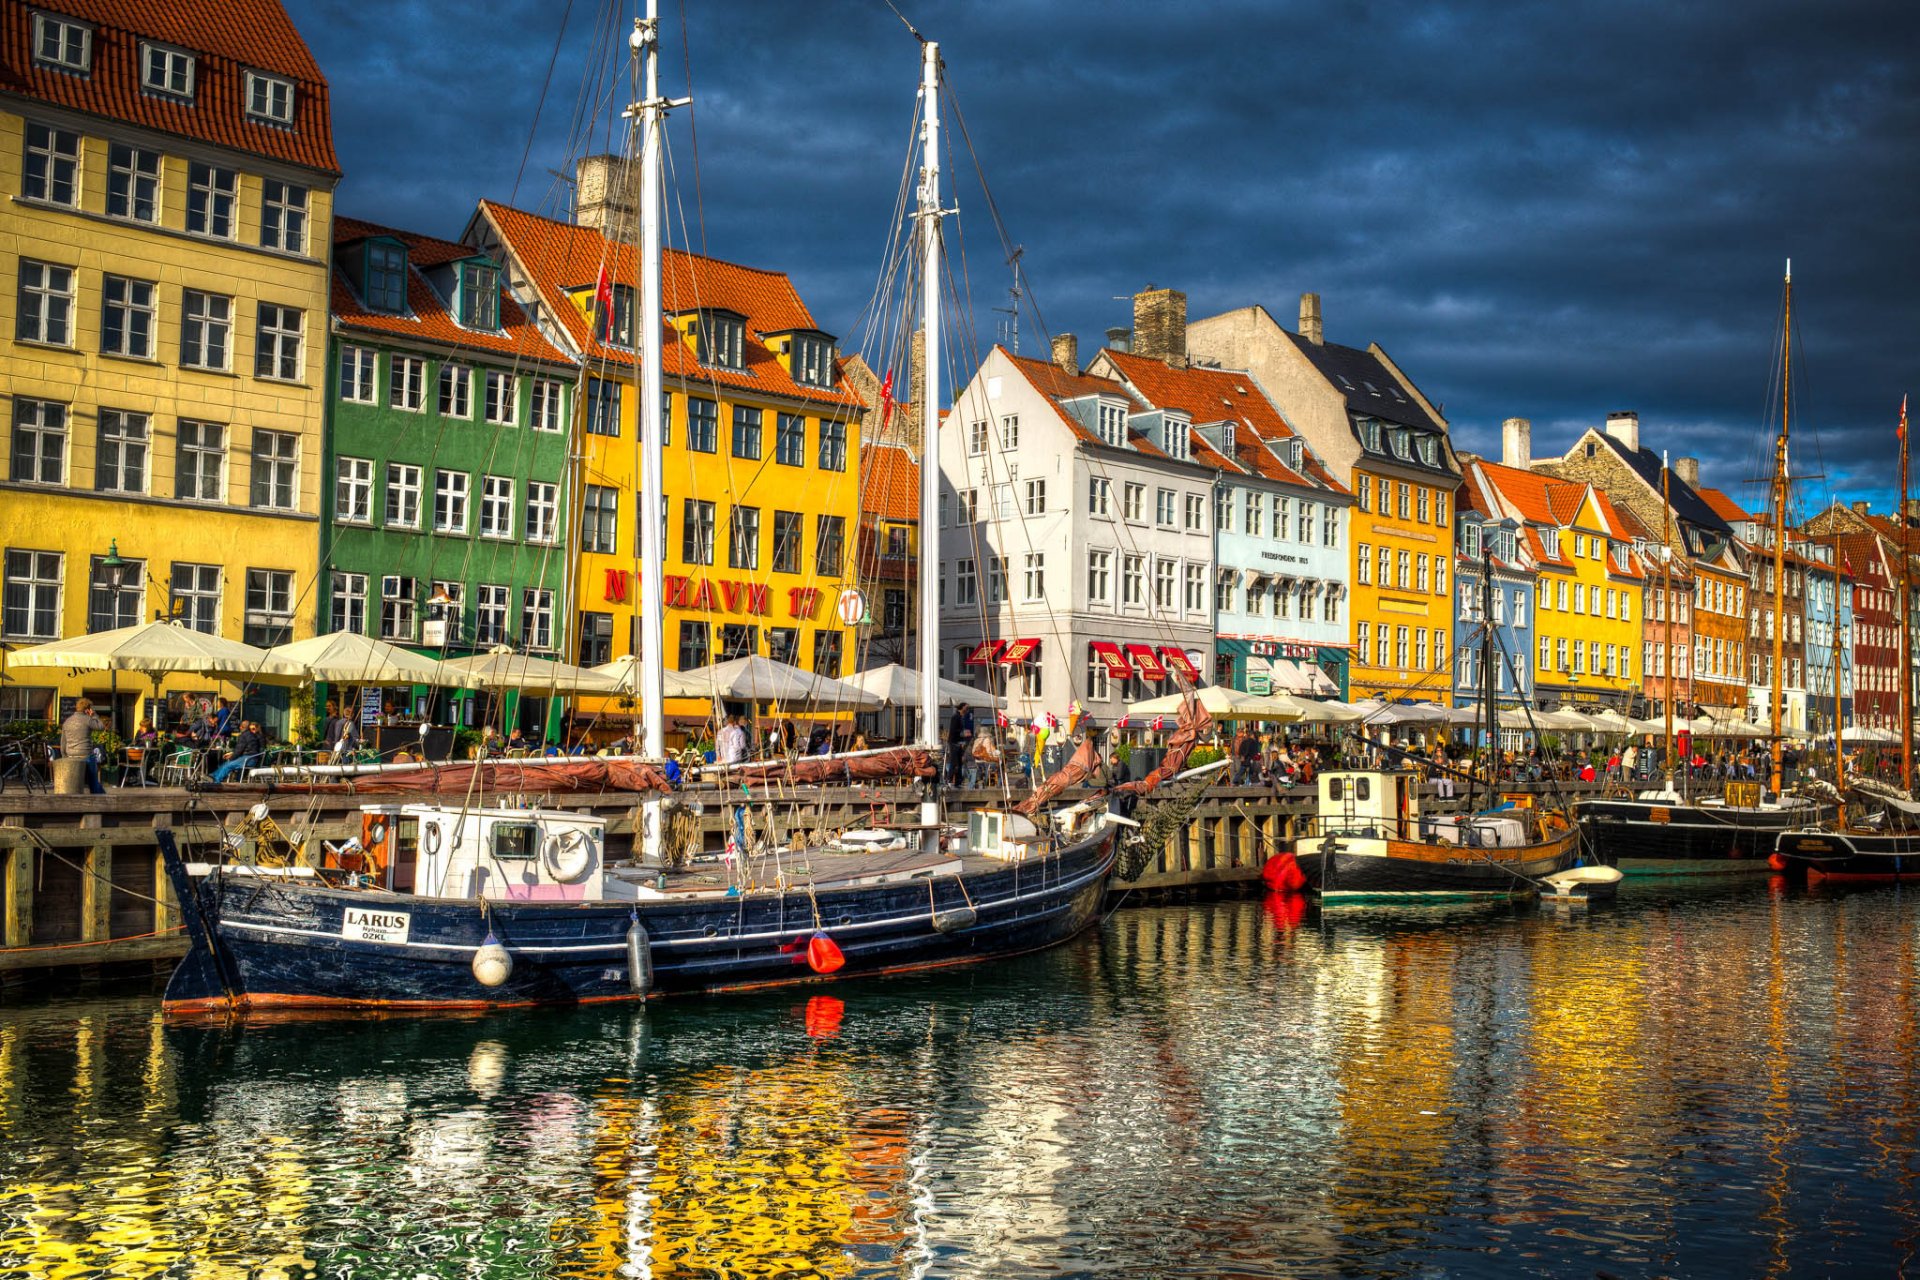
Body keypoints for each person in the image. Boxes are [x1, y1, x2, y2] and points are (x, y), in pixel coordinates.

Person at [62, 698, 107, 794]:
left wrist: (64, 756)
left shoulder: (67, 721)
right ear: (87, 709)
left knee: (74, 783)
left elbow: (63, 742)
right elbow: (101, 726)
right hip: (85, 755)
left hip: (71, 756)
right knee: (93, 781)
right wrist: (94, 715)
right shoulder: (88, 720)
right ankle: (101, 799)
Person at [211, 719, 265, 783]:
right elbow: (244, 749)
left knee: (228, 765)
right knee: (227, 763)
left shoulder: (244, 736)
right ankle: (213, 775)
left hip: (248, 759)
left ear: (241, 727)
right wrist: (232, 755)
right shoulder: (251, 735)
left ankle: (216, 781)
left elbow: (239, 750)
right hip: (251, 758)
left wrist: (232, 757)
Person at [946, 704, 976, 786]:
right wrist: (962, 733)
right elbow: (953, 730)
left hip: (958, 742)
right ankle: (949, 780)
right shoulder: (956, 717)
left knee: (959, 762)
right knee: (954, 762)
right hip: (954, 742)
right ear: (962, 708)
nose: (967, 710)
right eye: (966, 708)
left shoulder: (960, 717)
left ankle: (958, 781)